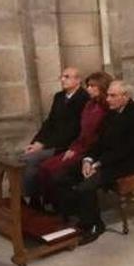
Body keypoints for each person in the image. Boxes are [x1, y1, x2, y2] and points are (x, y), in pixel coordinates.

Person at [59, 81, 134, 244]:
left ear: (126, 97)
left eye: (112, 96)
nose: (107, 99)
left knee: (86, 187)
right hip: (105, 159)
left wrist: (98, 164)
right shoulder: (111, 113)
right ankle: (81, 217)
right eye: (108, 95)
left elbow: (128, 150)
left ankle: (95, 225)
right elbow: (98, 141)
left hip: (125, 162)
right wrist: (88, 159)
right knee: (66, 174)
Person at [36, 71, 112, 208]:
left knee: (56, 170)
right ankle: (53, 204)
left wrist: (83, 153)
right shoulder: (89, 105)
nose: (88, 89)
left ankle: (65, 206)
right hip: (79, 145)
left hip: (90, 149)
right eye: (88, 85)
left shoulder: (107, 108)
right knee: (45, 167)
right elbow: (82, 132)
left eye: (92, 86)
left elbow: (100, 137)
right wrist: (73, 148)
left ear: (101, 87)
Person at [21, 67, 89, 199]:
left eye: (67, 77)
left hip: (66, 145)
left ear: (78, 80)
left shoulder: (84, 99)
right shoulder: (59, 97)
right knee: (25, 157)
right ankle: (35, 198)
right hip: (50, 142)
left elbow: (73, 131)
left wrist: (44, 145)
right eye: (62, 77)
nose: (63, 80)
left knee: (27, 160)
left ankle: (30, 198)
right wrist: (37, 142)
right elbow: (49, 122)